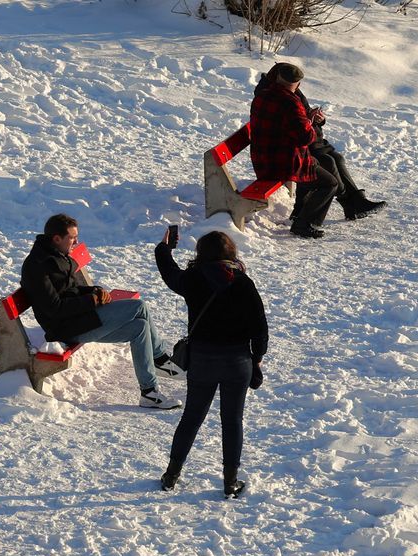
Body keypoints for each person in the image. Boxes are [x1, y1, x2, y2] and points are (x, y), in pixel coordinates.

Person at [21, 213, 185, 409]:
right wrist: (92, 300)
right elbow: (55, 309)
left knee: (139, 327)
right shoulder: (37, 266)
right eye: (72, 238)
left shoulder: (57, 256)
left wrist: (93, 291)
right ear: (56, 239)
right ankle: (159, 359)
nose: (76, 242)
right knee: (138, 307)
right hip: (66, 328)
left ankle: (149, 393)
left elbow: (70, 291)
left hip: (78, 318)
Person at [154, 230, 268, 498]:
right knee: (232, 421)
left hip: (203, 360)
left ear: (200, 254)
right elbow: (259, 327)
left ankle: (171, 475)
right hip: (237, 361)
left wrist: (163, 248)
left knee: (191, 418)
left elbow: (169, 273)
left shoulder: (193, 279)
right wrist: (258, 358)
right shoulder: (243, 282)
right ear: (232, 254)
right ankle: (230, 482)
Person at [254, 63, 386, 224]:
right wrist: (309, 122)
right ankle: (337, 207)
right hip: (291, 152)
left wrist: (316, 119)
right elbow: (300, 130)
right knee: (327, 167)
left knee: (336, 159)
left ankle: (351, 203)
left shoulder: (278, 93)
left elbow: (298, 119)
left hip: (293, 148)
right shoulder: (284, 98)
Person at [250, 62, 337, 239]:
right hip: (281, 164)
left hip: (263, 159)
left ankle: (299, 213)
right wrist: (310, 123)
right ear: (298, 84)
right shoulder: (291, 103)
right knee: (329, 183)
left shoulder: (262, 96)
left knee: (316, 163)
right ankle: (305, 224)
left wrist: (305, 121)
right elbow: (305, 138)